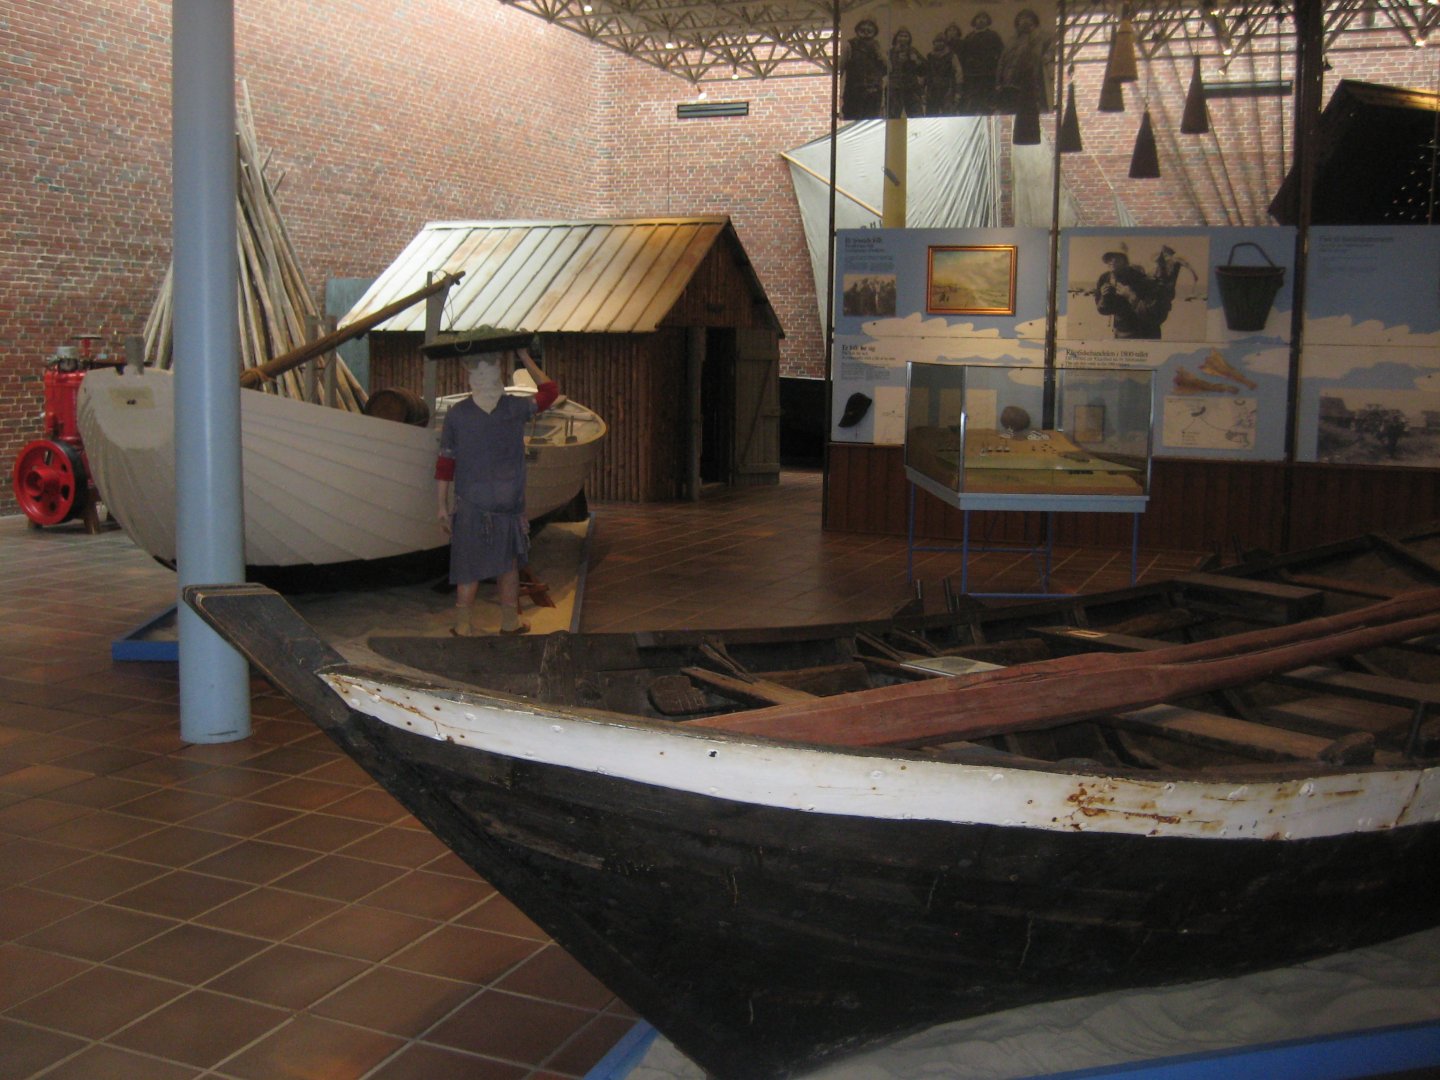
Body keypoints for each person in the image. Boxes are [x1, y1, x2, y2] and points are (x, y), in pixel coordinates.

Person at [435, 343, 559, 635]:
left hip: (478, 505)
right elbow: (550, 391)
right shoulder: (515, 408)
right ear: (499, 373)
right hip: (503, 505)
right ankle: (507, 622)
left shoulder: (460, 414)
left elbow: (445, 462)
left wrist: (441, 505)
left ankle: (467, 625)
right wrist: (525, 356)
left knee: (472, 565)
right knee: (506, 565)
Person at [1094, 243, 1166, 339]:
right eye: (1107, 258)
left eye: (1113, 257)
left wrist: (1130, 295)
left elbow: (1152, 313)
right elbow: (1102, 310)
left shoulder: (1139, 278)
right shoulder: (1104, 278)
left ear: (1123, 259)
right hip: (1120, 333)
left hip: (1144, 334)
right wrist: (1104, 298)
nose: (1110, 261)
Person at [840, 18, 887, 119]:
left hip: (874, 94)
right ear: (858, 30)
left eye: (869, 29)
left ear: (874, 31)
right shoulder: (849, 45)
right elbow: (840, 69)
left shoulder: (878, 47)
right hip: (854, 94)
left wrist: (880, 55)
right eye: (863, 28)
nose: (866, 31)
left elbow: (887, 69)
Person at [958, 10, 1002, 112]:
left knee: (986, 103)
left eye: (984, 18)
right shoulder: (969, 37)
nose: (981, 20)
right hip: (971, 76)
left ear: (987, 21)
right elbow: (963, 56)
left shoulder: (993, 36)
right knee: (972, 103)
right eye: (978, 18)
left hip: (987, 75)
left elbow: (1000, 54)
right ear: (974, 21)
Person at [886, 27, 925, 119]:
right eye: (901, 36)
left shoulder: (913, 51)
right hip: (895, 88)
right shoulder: (890, 52)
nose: (903, 38)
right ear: (896, 38)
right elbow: (885, 69)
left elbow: (923, 70)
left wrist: (916, 61)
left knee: (916, 116)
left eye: (906, 36)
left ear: (909, 38)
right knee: (893, 117)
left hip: (911, 88)